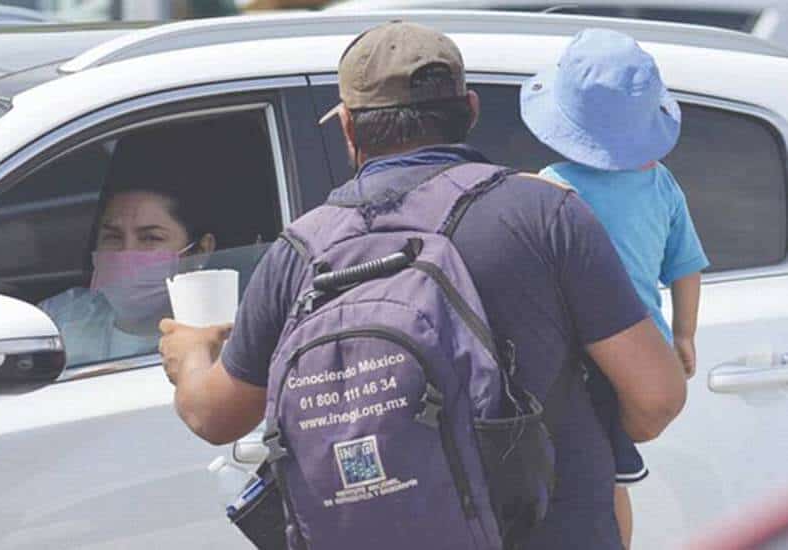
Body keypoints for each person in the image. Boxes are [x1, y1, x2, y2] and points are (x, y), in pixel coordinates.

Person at [159, 21, 687, 549]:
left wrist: (190, 354)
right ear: (471, 111)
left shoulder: (300, 250)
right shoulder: (546, 214)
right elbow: (656, 397)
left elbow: (213, 415)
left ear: (348, 127)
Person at [521, 28, 709, 548]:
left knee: (594, 481)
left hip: (581, 357)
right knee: (611, 483)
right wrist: (685, 335)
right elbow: (685, 264)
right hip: (643, 351)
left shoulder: (550, 185)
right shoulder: (661, 183)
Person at [40, 122, 224, 367]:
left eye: (150, 238)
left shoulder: (222, 344)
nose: (126, 254)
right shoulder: (62, 319)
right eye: (113, 237)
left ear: (201, 250)